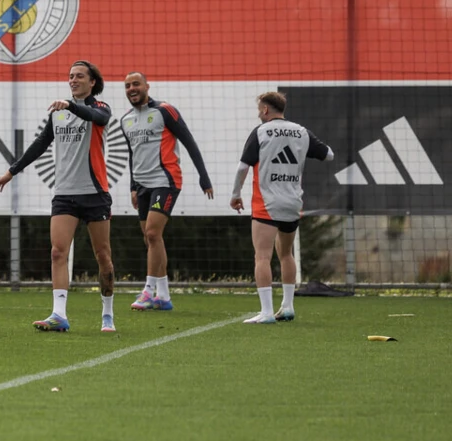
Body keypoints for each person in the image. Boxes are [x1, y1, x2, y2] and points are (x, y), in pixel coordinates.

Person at [0, 60, 117, 333]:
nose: (73, 80)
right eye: (70, 76)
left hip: (95, 193)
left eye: (79, 76)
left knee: (103, 255)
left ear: (92, 82)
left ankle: (107, 313)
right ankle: (59, 314)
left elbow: (99, 118)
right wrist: (11, 172)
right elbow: (38, 145)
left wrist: (71, 105)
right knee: (58, 252)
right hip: (64, 194)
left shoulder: (99, 107)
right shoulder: (57, 113)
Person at [230, 92, 333, 324]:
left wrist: (236, 194)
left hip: (267, 202)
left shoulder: (261, 132)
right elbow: (329, 155)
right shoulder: (301, 131)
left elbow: (242, 168)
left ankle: (266, 312)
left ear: (266, 110)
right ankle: (287, 307)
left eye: (259, 109)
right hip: (292, 202)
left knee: (262, 257)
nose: (259, 113)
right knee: (286, 254)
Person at [119, 72, 214, 312]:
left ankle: (148, 291)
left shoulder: (164, 110)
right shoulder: (126, 120)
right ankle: (163, 296)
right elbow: (132, 155)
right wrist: (132, 186)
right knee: (151, 238)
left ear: (146, 86)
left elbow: (189, 141)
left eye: (136, 84)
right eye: (128, 85)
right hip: (141, 185)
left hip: (166, 181)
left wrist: (204, 176)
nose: (132, 88)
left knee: (152, 233)